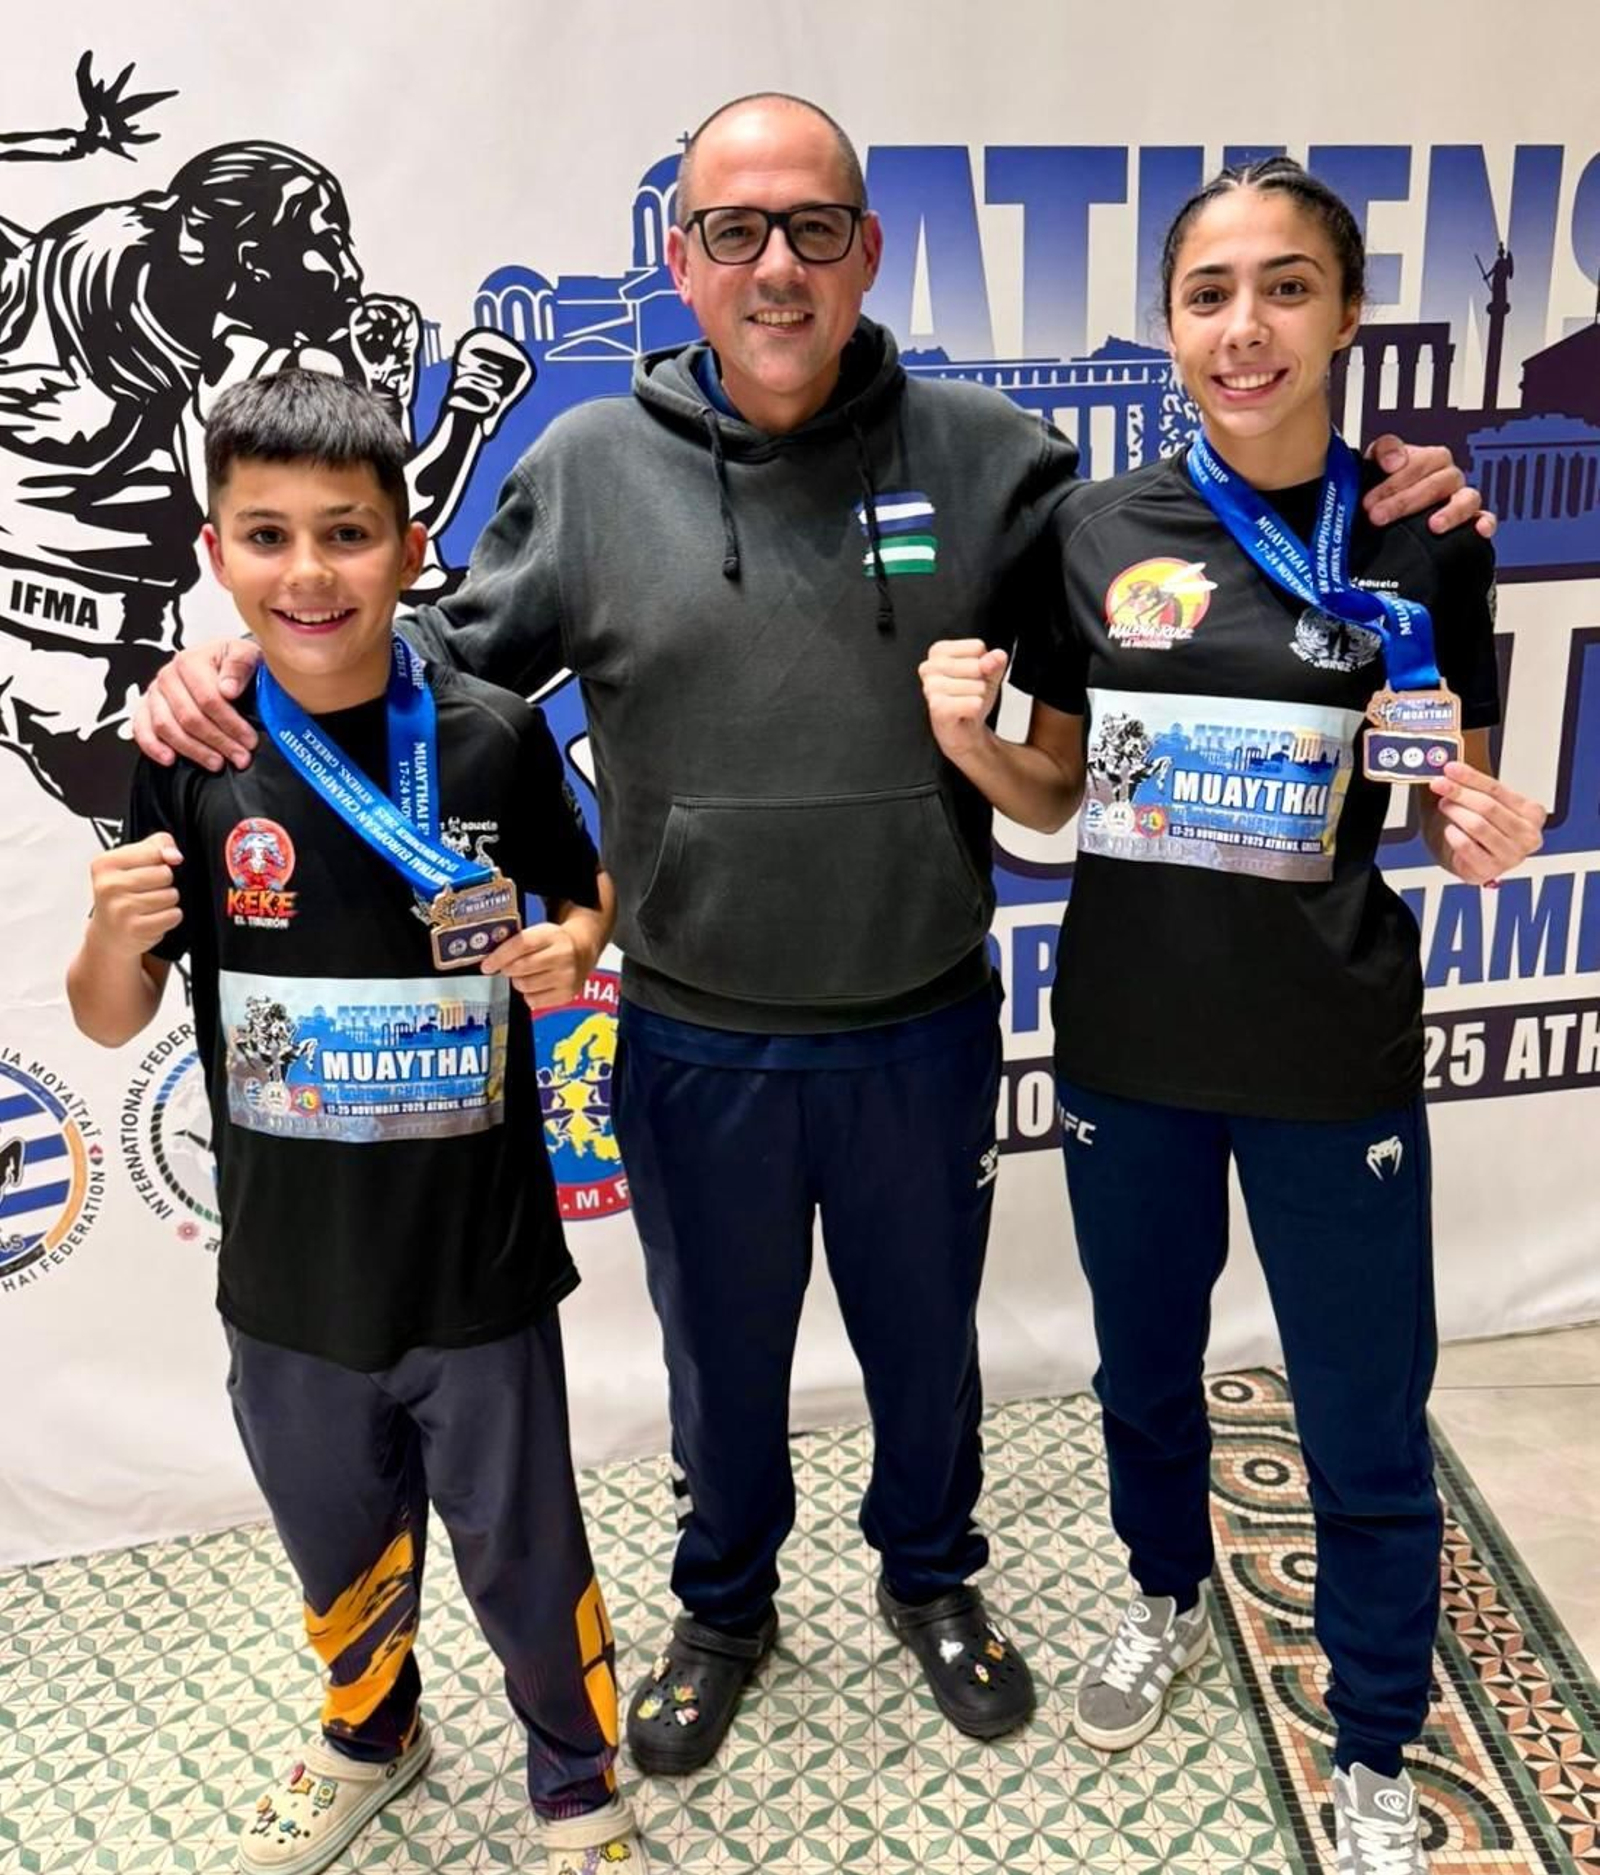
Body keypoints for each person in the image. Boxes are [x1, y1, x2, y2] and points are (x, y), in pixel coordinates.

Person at [129, 96, 1488, 1780]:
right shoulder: (587, 469)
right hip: (695, 1025)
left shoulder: (1000, 464)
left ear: (870, 250)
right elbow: (401, 657)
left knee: (931, 1354)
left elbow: (1209, 563)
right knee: (721, 1356)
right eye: (735, 232)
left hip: (919, 1014)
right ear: (682, 260)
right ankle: (724, 1605)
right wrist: (225, 662)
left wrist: (1402, 492)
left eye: (814, 229)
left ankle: (934, 1580)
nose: (777, 267)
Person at [917, 156, 1544, 1875]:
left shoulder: (1427, 530)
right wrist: (975, 744)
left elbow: (1446, 786)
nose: (1244, 327)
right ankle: (1163, 1590)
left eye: (1285, 288)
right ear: (1169, 323)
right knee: (1141, 1363)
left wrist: (1476, 820)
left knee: (1364, 1407)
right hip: (1132, 1035)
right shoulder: (1094, 532)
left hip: (1331, 1047)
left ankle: (1369, 1748)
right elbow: (1052, 793)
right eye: (1209, 293)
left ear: (1348, 316)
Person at [66, 370, 652, 1875]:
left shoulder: (487, 730)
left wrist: (572, 945)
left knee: (524, 1548)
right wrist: (103, 948)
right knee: (337, 1540)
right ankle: (369, 1727)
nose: (308, 572)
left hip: (473, 1260)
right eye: (268, 537)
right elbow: (110, 1013)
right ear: (216, 550)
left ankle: (578, 1786)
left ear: (409, 544)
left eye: (345, 534)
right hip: (288, 1276)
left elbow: (587, 898)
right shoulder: (193, 747)